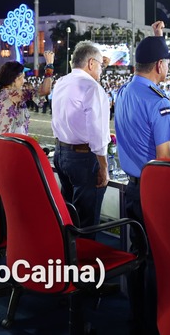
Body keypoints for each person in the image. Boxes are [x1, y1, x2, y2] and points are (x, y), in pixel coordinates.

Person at [114, 20, 170, 335]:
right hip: (155, 193)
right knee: (159, 262)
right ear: (159, 65)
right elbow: (165, 158)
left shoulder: (124, 91)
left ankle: (137, 319)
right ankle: (158, 324)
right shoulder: (159, 102)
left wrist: (155, 39)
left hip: (132, 190)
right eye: (166, 62)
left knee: (138, 256)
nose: (168, 67)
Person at [50, 43, 113, 233]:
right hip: (84, 158)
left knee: (68, 213)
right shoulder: (92, 88)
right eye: (101, 65)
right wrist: (103, 165)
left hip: (62, 152)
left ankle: (67, 256)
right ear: (91, 63)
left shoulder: (61, 81)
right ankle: (85, 260)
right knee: (86, 221)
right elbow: (97, 132)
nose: (102, 70)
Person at [0, 52, 54, 137]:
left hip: (1, 142)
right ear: (14, 79)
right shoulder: (13, 94)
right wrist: (49, 66)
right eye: (22, 78)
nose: (24, 81)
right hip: (12, 144)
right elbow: (45, 90)